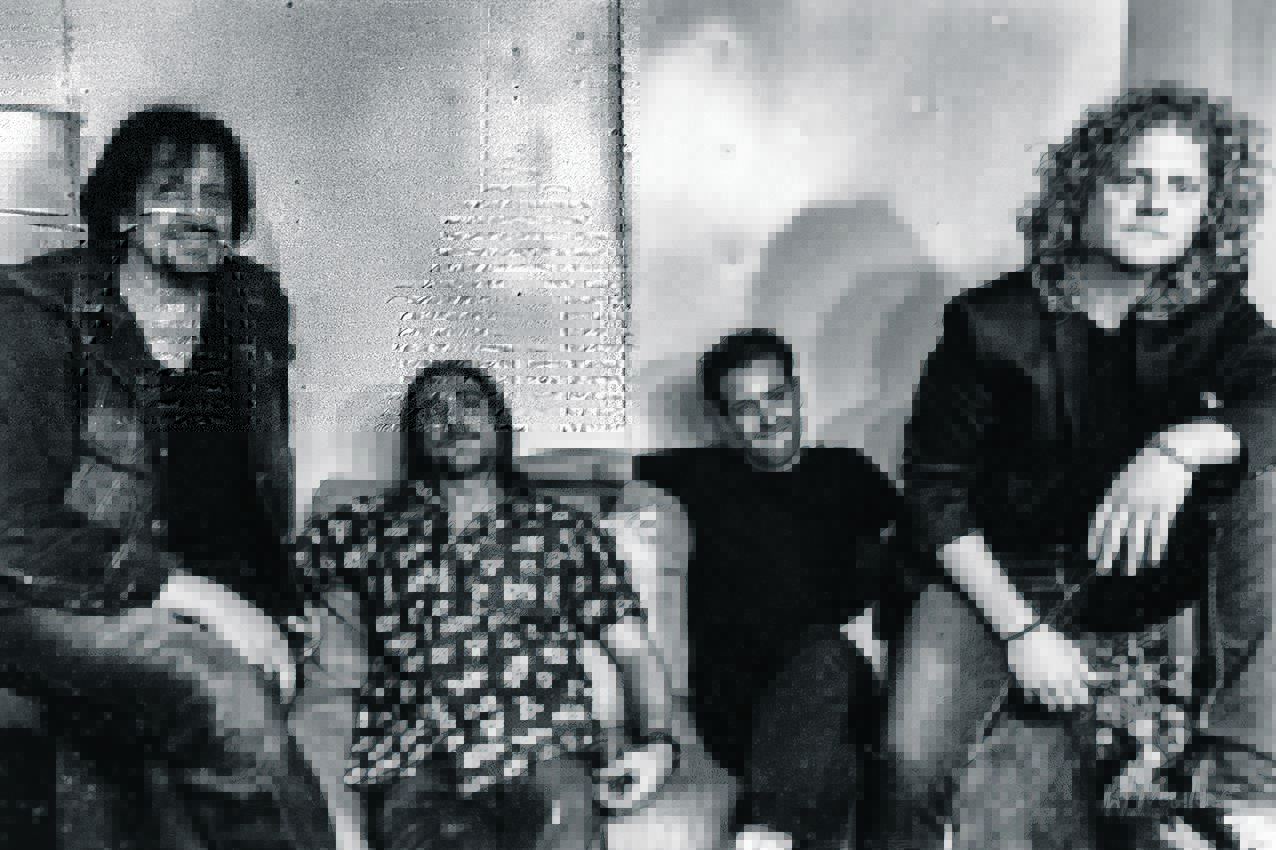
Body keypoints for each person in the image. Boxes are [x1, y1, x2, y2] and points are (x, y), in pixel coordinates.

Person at [878, 85, 1276, 850]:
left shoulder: (1215, 317)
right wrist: (1022, 631)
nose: (1155, 205)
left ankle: (1243, 783)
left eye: (1182, 187)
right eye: (1132, 179)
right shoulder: (988, 325)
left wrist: (1178, 447)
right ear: (1082, 190)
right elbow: (934, 495)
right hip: (993, 574)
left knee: (1268, 471)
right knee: (911, 763)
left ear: (1207, 211)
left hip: (1134, 575)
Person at [0, 104, 332, 848]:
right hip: (47, 591)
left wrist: (278, 599)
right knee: (219, 691)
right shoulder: (35, 311)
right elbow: (11, 529)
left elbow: (249, 479)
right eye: (171, 191)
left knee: (165, 767)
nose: (198, 213)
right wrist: (205, 601)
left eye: (217, 196)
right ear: (122, 211)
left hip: (188, 603)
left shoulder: (250, 309)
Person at [296, 361, 679, 850]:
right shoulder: (369, 525)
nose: (452, 418)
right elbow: (268, 570)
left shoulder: (563, 529)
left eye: (470, 403)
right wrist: (283, 619)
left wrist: (659, 745)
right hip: (419, 756)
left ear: (501, 425)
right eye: (432, 410)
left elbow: (634, 651)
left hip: (544, 747)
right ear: (414, 439)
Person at [633, 329, 910, 850]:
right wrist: (495, 475)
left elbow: (922, 548)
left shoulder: (847, 472)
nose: (768, 418)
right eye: (746, 408)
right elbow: (590, 466)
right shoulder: (699, 475)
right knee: (839, 755)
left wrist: (878, 623)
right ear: (723, 421)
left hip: (838, 685)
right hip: (742, 703)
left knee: (832, 667)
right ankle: (767, 827)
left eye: (777, 396)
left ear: (797, 393)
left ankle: (762, 833)